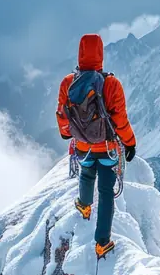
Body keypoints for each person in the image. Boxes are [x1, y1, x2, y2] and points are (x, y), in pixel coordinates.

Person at [57, 34, 136, 257]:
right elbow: (120, 120)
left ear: (80, 53)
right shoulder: (111, 84)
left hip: (82, 146)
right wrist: (130, 143)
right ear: (101, 54)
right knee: (106, 192)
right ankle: (102, 242)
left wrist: (66, 133)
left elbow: (62, 114)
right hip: (108, 148)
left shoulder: (68, 83)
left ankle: (84, 205)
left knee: (86, 174)